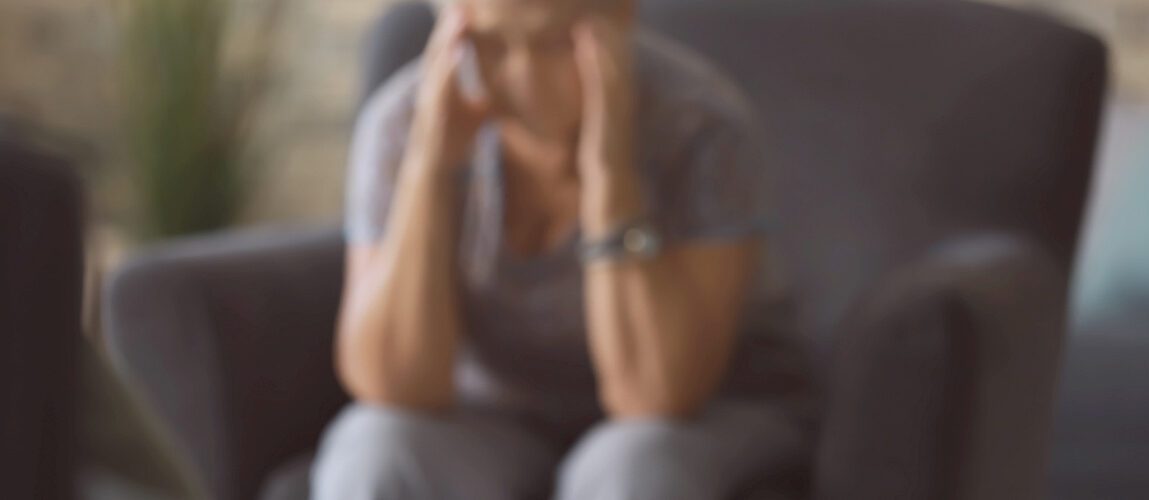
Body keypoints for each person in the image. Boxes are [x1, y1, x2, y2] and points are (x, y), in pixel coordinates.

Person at [312, 0, 814, 498]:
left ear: (622, 15)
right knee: (374, 449)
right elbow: (396, 388)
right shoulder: (399, 122)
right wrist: (430, 167)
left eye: (555, 44)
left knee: (633, 468)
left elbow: (657, 395)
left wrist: (610, 174)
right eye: (489, 46)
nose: (523, 83)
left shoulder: (699, 124)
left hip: (703, 417)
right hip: (497, 421)